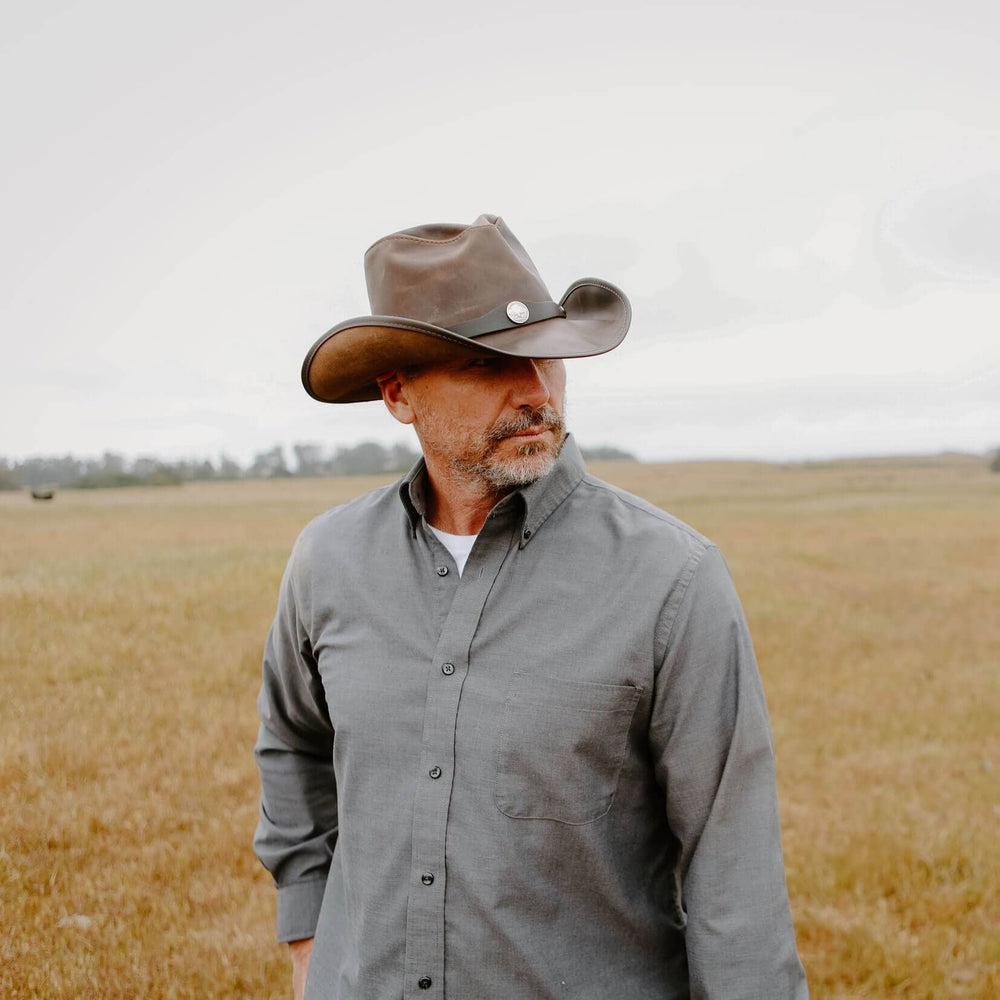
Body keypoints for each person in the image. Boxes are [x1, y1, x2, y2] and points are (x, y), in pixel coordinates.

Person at [252, 213, 810, 1000]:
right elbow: (293, 745)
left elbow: (733, 863)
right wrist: (309, 931)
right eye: (485, 364)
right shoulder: (329, 562)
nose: (534, 391)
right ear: (397, 394)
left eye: (545, 355)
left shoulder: (671, 578)